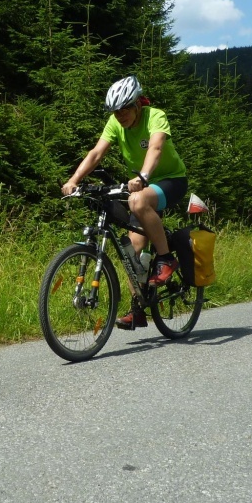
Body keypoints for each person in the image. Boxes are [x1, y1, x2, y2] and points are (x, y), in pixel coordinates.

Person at [62, 75, 189, 329]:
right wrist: (74, 179)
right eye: (115, 112)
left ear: (136, 105)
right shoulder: (115, 123)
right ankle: (138, 308)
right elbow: (96, 153)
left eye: (124, 110)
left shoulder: (155, 116)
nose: (120, 116)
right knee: (132, 250)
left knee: (138, 201)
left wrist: (143, 176)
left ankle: (165, 258)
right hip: (142, 184)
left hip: (171, 180)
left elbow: (155, 149)